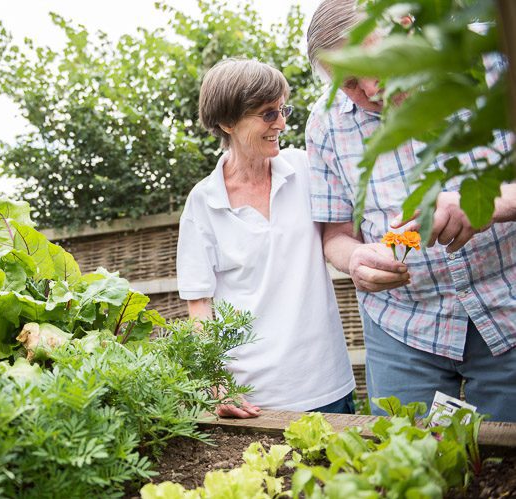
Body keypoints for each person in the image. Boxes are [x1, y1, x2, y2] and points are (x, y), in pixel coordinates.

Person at [306, 0, 516, 421]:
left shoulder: (495, 65)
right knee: (404, 464)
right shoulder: (326, 125)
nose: (371, 90)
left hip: (507, 307)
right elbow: (336, 236)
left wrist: (485, 203)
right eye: (349, 83)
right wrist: (356, 260)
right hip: (402, 326)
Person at [176, 58, 355, 418]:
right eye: (267, 114)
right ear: (227, 122)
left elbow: (346, 232)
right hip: (253, 400)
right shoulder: (204, 202)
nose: (282, 123)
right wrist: (215, 379)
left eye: (282, 109)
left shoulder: (306, 169)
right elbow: (199, 307)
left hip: (326, 384)